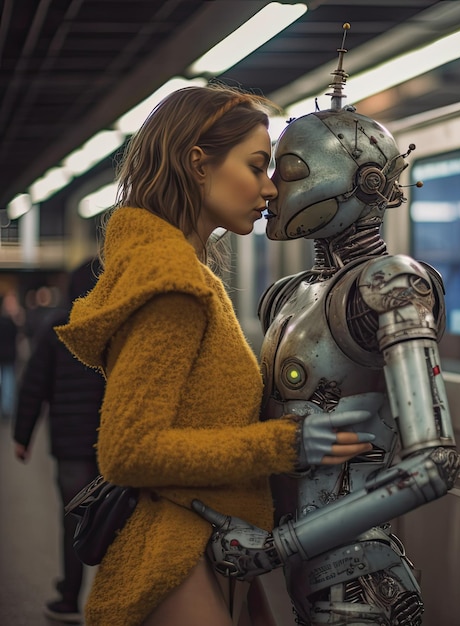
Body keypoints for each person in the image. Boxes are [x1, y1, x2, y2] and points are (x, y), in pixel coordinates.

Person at [54, 84, 375, 626]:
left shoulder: (183, 270)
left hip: (206, 545)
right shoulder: (173, 283)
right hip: (176, 555)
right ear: (198, 165)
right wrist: (284, 443)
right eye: (256, 167)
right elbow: (128, 452)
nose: (271, 189)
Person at [192, 34, 460, 625]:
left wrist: (276, 545)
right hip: (301, 572)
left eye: (287, 170)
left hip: (359, 576)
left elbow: (434, 463)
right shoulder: (289, 295)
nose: (272, 191)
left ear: (362, 181)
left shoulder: (391, 286)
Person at [13, 258, 104, 624]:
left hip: (70, 446)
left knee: (75, 521)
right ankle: (118, 598)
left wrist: (23, 436)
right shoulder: (115, 326)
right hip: (112, 442)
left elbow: (33, 385)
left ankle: (69, 598)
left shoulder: (57, 328)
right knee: (122, 518)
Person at [0, 296, 18, 421]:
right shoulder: (12, 322)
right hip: (9, 356)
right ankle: (6, 408)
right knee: (8, 382)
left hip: (5, 356)